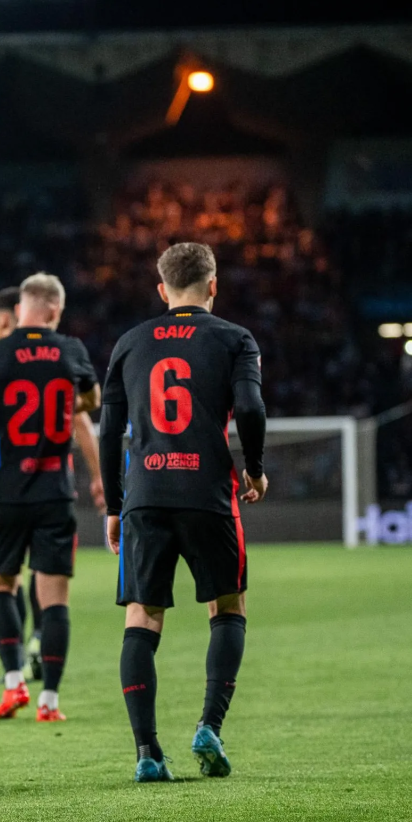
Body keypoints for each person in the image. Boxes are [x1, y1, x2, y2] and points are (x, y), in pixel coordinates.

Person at [98, 242, 267, 784]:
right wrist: (255, 468)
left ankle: (147, 753)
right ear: (213, 285)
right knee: (228, 606)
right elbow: (251, 407)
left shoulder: (130, 342)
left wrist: (114, 504)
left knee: (142, 616)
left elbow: (109, 431)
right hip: (208, 492)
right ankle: (209, 727)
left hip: (145, 495)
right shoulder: (236, 339)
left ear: (161, 289)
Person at [0, 273, 100, 722]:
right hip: (55, 492)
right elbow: (90, 403)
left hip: (4, 494)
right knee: (54, 599)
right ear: (55, 310)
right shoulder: (72, 351)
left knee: (2, 585)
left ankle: (14, 681)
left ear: (20, 309)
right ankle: (50, 700)